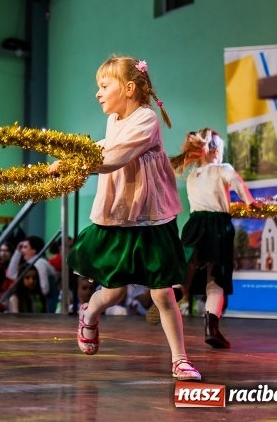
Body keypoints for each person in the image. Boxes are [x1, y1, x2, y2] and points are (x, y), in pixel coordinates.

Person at [48, 55, 201, 381]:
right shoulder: (116, 120)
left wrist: (77, 164)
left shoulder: (146, 120)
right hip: (119, 216)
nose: (98, 93)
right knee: (114, 292)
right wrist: (70, 158)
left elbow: (115, 156)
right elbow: (106, 144)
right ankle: (89, 313)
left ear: (129, 88)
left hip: (151, 217)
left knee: (163, 292)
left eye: (104, 86)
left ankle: (180, 359)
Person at [169, 127, 259, 349]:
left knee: (189, 265)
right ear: (214, 149)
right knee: (216, 278)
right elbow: (236, 181)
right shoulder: (223, 168)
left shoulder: (191, 175)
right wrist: (250, 202)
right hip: (218, 225)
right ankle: (212, 328)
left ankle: (177, 290)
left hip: (194, 224)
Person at [6, 236, 57, 312]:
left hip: (48, 307)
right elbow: (11, 274)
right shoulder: (31, 264)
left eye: (25, 247)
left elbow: (44, 289)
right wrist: (17, 252)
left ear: (34, 250)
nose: (22, 250)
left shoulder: (40, 263)